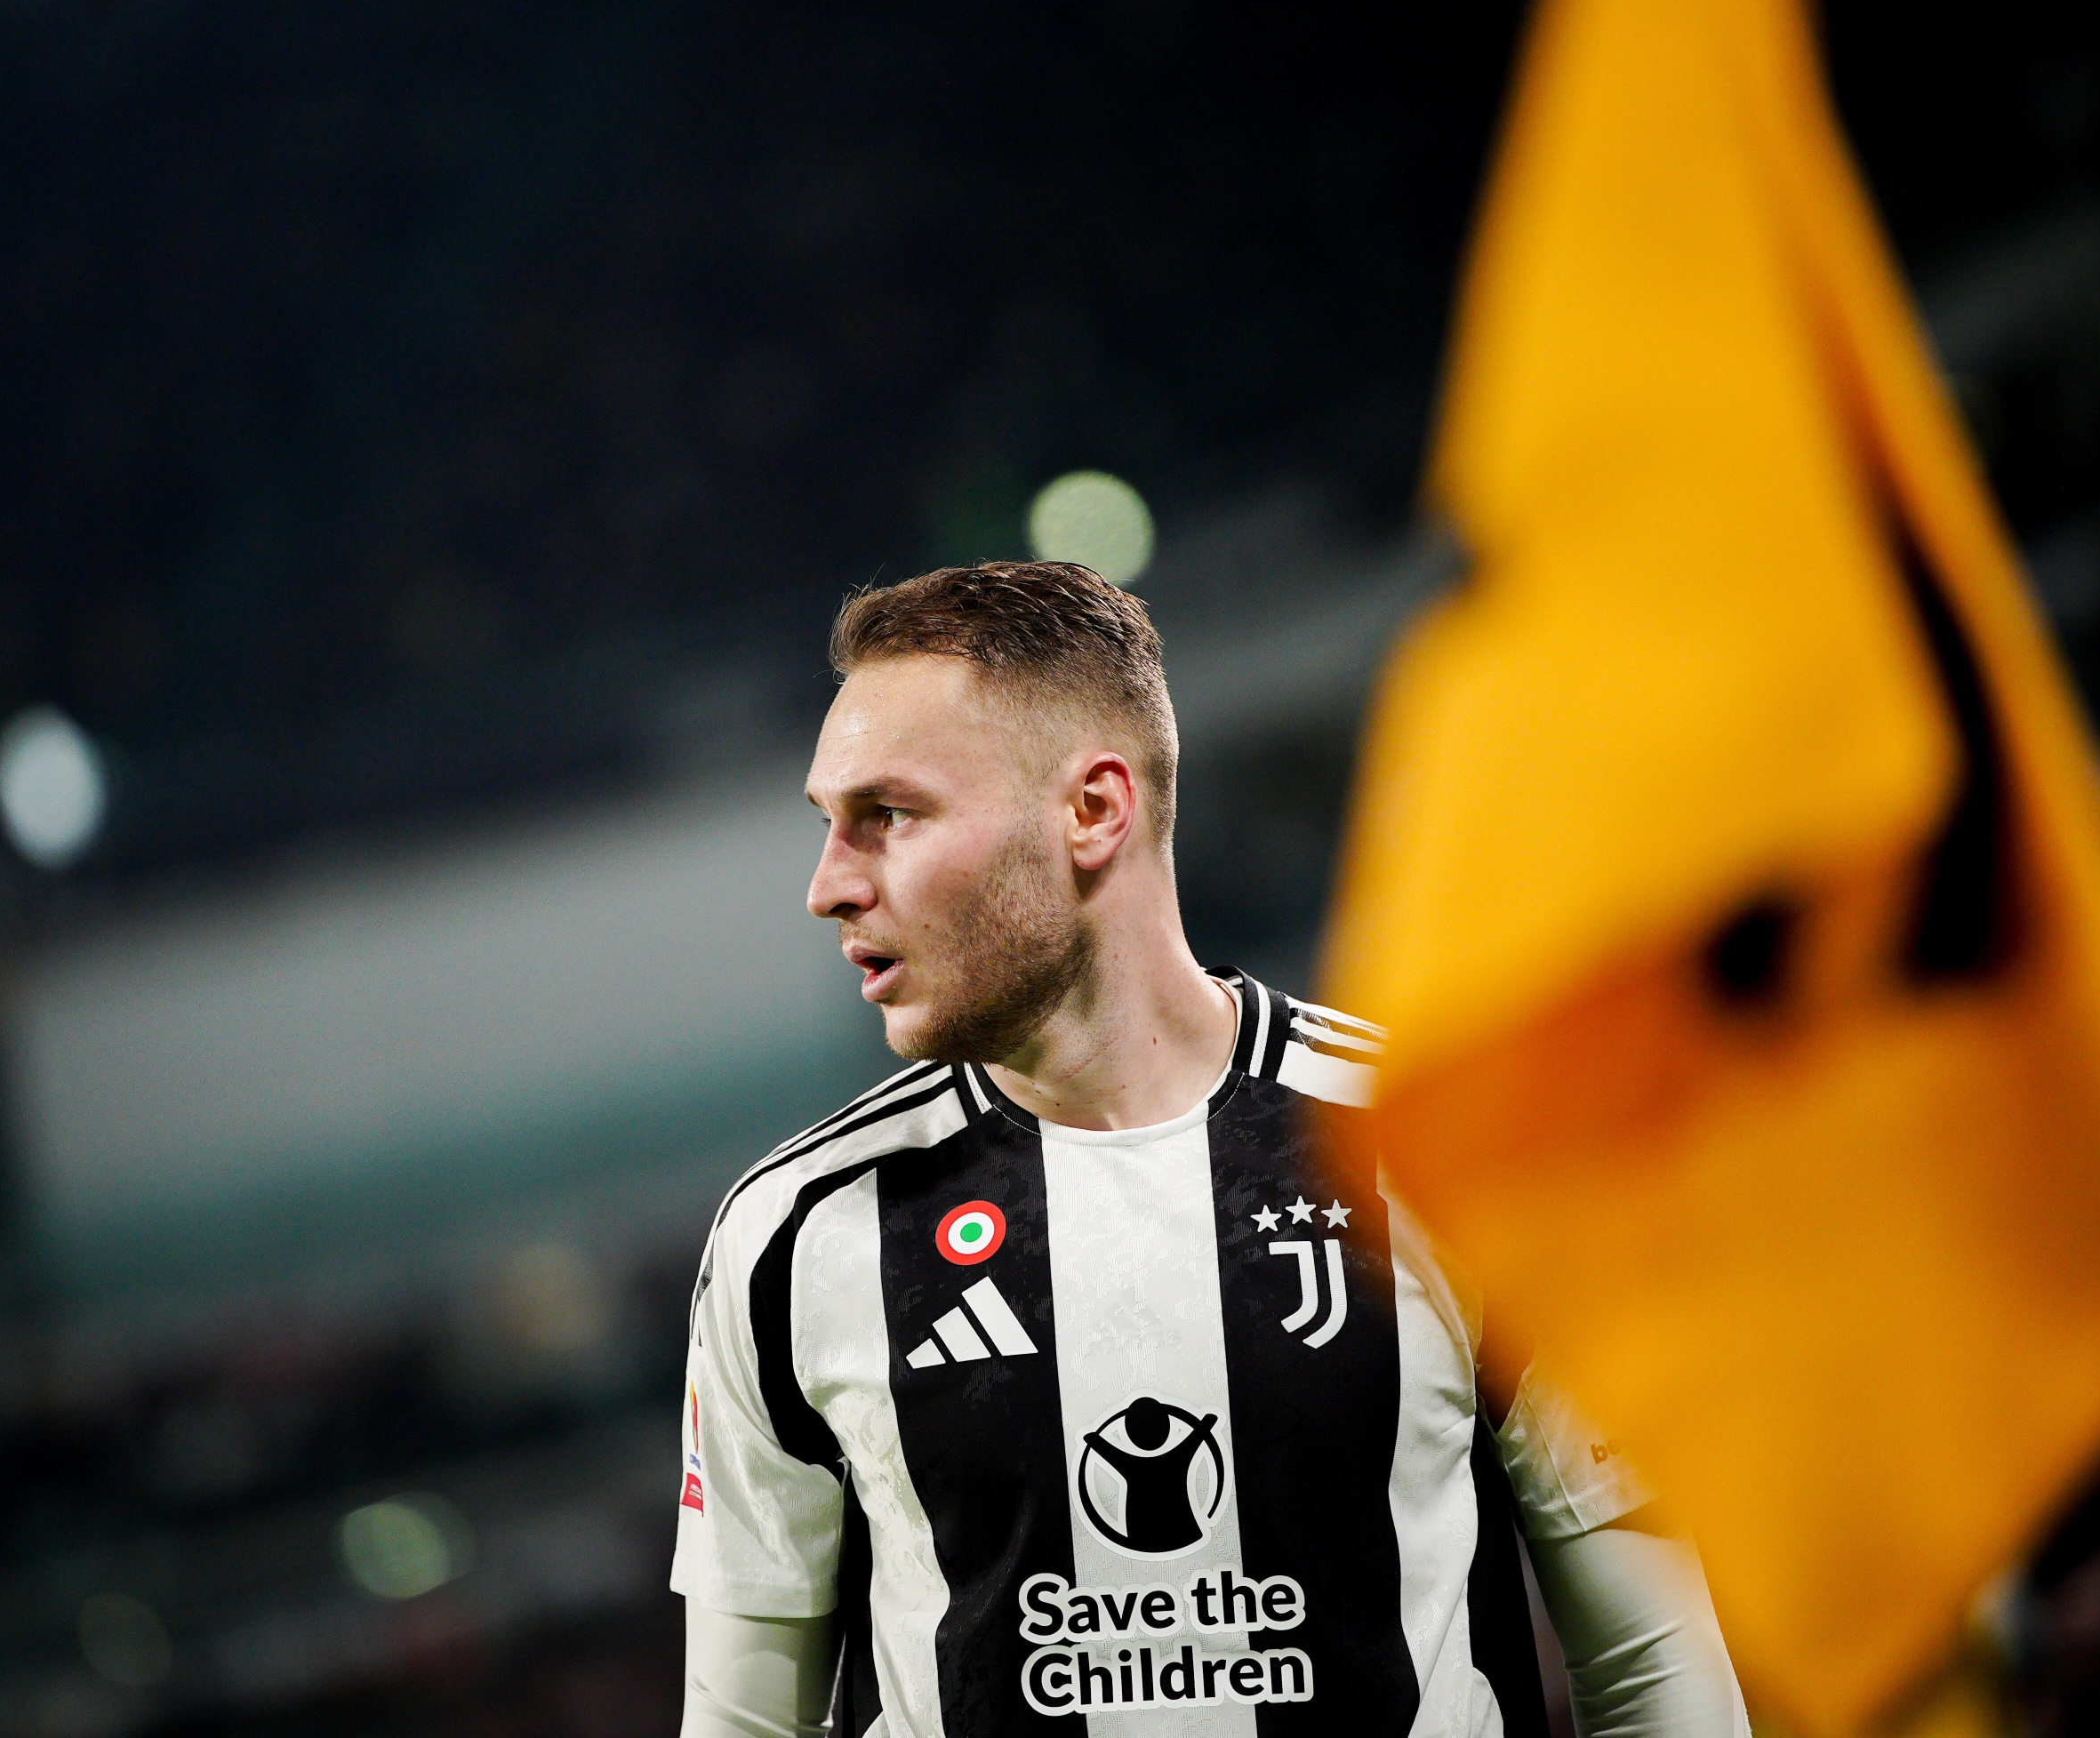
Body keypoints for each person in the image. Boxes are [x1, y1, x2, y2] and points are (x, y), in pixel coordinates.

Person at [673, 561, 1749, 1737]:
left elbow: (1657, 1669)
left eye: (889, 815)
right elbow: (743, 1725)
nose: (829, 885)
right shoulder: (794, 1236)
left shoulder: (1448, 1144)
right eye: (829, 826)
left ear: (1093, 811)